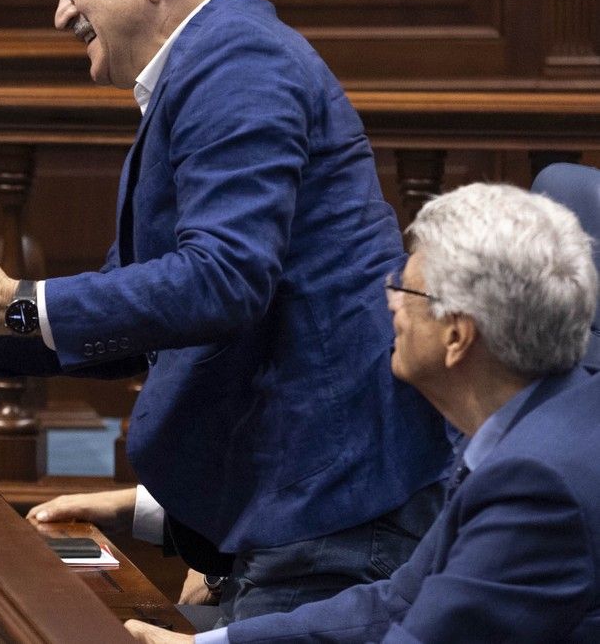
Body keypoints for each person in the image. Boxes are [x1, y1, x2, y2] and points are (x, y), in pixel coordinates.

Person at [0, 0, 451, 623]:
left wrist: (11, 303)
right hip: (300, 503)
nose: (61, 11)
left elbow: (223, 279)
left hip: (330, 508)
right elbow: (136, 308)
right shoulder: (213, 63)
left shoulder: (239, 63)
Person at [124, 183, 600, 643]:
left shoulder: (536, 482)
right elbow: (395, 602)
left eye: (406, 291)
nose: (388, 302)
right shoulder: (542, 422)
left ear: (457, 336)